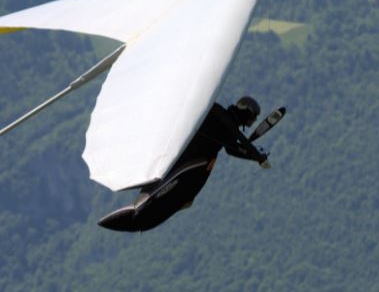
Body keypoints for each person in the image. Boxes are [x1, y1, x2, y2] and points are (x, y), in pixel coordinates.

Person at [98, 96, 270, 232]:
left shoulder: (228, 126)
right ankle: (139, 211)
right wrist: (255, 153)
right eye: (252, 117)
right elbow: (238, 138)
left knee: (185, 199)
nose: (253, 121)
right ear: (246, 112)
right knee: (167, 193)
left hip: (199, 165)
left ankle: (154, 210)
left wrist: (255, 156)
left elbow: (233, 149)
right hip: (188, 159)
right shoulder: (219, 113)